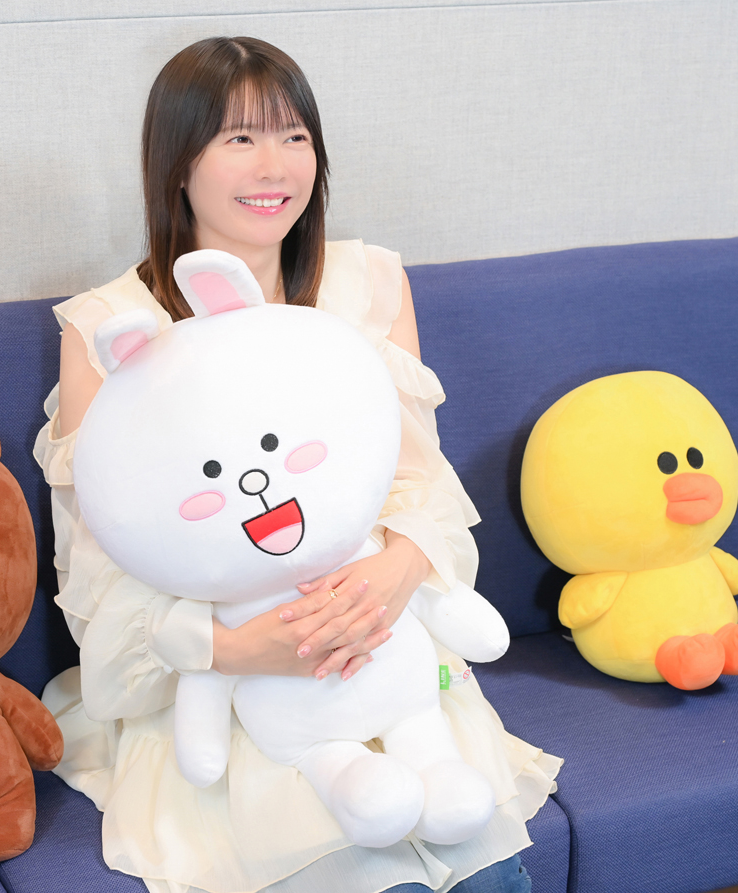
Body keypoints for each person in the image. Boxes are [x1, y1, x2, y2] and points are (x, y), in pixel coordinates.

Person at [36, 36, 560, 893]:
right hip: (221, 683)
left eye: (294, 136)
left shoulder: (366, 284)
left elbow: (418, 481)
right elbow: (101, 568)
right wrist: (240, 647)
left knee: (488, 874)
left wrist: (394, 574)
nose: (273, 165)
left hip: (378, 642)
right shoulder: (108, 325)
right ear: (177, 160)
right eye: (239, 138)